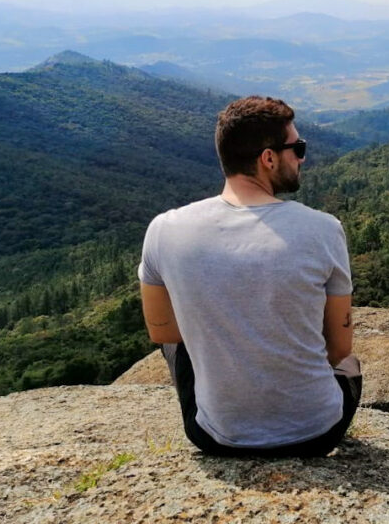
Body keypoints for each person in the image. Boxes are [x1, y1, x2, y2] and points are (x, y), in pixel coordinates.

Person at [138, 95, 360, 457]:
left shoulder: (164, 229)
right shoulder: (324, 229)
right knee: (351, 365)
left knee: (176, 347)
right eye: (297, 148)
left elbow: (163, 333)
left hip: (215, 437)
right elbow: (339, 349)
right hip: (318, 433)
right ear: (268, 158)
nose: (302, 158)